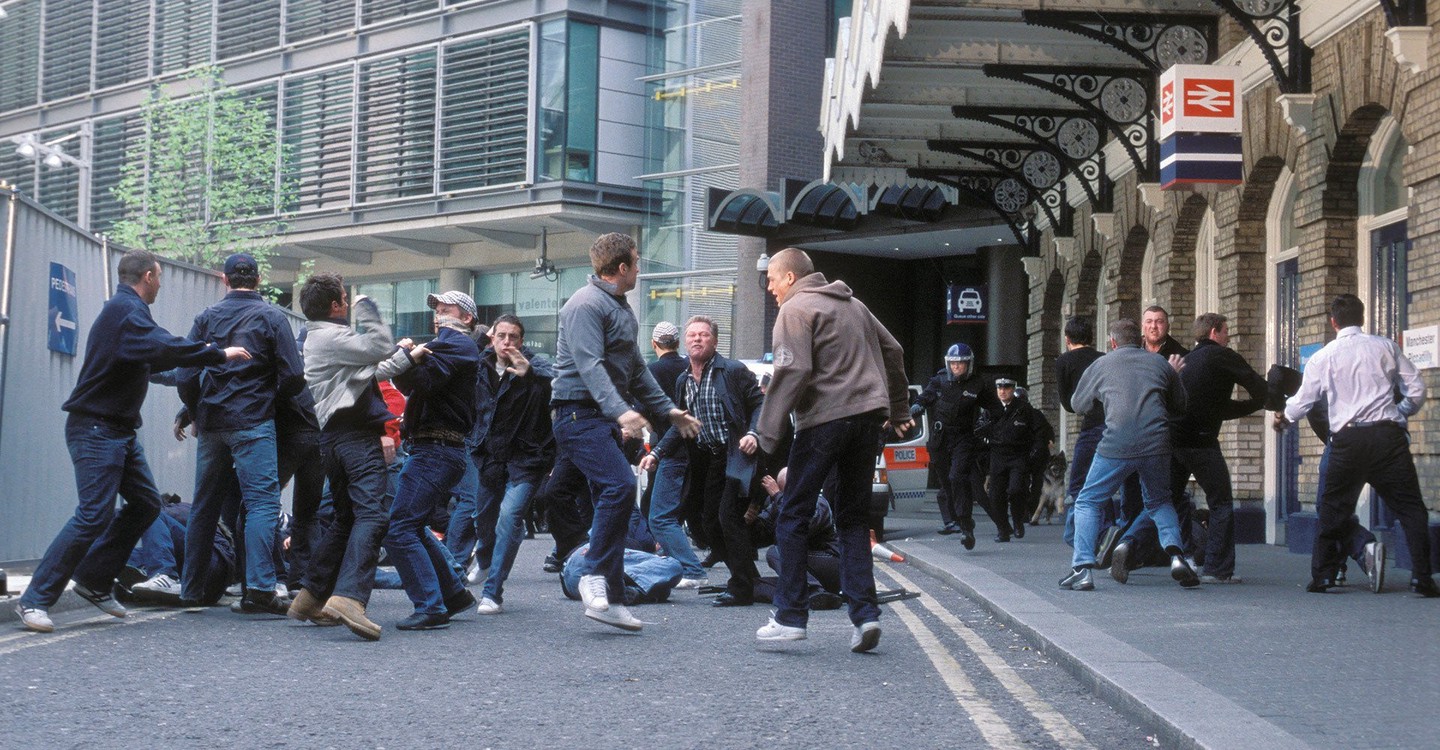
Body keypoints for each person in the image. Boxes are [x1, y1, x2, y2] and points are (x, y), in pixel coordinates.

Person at [15, 250, 248, 633]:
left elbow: (159, 363)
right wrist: (216, 354)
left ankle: (94, 580)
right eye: (159, 277)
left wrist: (200, 370)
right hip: (95, 430)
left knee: (144, 505)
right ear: (148, 275)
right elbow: (165, 346)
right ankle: (34, 600)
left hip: (119, 432)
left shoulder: (129, 316)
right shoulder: (126, 311)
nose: (160, 284)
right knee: (94, 513)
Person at [753, 247, 911, 653]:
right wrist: (898, 408)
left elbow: (794, 370)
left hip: (824, 420)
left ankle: (789, 616)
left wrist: (766, 433)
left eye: (772, 277)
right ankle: (865, 616)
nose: (769, 285)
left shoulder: (795, 309)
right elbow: (893, 350)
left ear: (790, 277)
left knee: (793, 514)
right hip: (867, 422)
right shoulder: (854, 305)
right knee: (854, 520)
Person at [550, 232, 701, 632]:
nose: (639, 268)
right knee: (619, 487)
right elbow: (589, 365)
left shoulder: (621, 309)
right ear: (621, 268)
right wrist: (621, 413)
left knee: (614, 499)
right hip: (576, 414)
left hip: (597, 416)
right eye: (636, 262)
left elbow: (636, 371)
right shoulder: (583, 306)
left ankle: (612, 598)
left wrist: (669, 412)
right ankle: (593, 578)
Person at [1276, 294, 1437, 597]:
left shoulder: (1324, 357)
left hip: (1347, 440)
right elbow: (1416, 389)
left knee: (1333, 508)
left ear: (1333, 322)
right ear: (1363, 319)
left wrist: (1284, 416)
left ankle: (1323, 577)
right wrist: (1398, 414)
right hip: (1387, 439)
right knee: (1411, 508)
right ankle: (1422, 577)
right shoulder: (1386, 347)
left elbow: (1303, 401)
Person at [285, 273, 418, 640]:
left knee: (346, 519)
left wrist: (408, 357)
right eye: (345, 298)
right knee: (373, 514)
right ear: (336, 305)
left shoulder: (323, 339)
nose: (348, 303)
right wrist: (368, 307)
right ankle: (349, 598)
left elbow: (371, 371)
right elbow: (379, 345)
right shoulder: (332, 335)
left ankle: (311, 597)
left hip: (336, 439)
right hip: (355, 438)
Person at [176, 253, 306, 615]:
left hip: (213, 424)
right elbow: (294, 375)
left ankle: (191, 591)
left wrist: (196, 409)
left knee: (204, 505)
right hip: (253, 421)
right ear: (259, 279)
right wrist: (268, 398)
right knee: (262, 504)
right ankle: (260, 589)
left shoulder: (206, 318)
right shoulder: (272, 317)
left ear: (224, 279)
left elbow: (186, 373)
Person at [1061, 318, 1198, 592]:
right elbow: (1180, 405)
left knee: (1088, 500)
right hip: (1156, 444)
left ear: (1112, 342)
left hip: (1116, 444)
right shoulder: (1160, 363)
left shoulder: (1101, 365)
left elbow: (1077, 404)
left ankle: (1082, 570)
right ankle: (1177, 558)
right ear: (1140, 340)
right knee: (1160, 501)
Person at [642, 315, 765, 604]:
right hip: (709, 459)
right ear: (684, 343)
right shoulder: (684, 379)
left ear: (715, 341)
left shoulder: (733, 371)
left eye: (704, 335)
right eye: (692, 335)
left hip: (737, 455)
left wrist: (753, 433)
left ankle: (742, 586)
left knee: (727, 517)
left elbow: (760, 402)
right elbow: (680, 424)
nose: (697, 339)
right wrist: (657, 453)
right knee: (707, 523)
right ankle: (748, 577)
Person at [382, 290, 483, 630]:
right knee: (413, 525)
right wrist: (410, 357)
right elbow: (413, 384)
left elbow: (417, 380)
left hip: (436, 447)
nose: (438, 315)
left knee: (400, 528)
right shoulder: (448, 346)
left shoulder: (456, 344)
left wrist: (407, 355)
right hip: (434, 447)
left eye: (446, 309)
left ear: (466, 317)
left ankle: (430, 604)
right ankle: (452, 594)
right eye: (436, 310)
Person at [1167, 313, 1267, 584]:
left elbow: (1218, 408)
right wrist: (1274, 398)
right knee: (1221, 502)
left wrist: (1254, 405)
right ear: (1214, 332)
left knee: (1168, 501)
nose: (1228, 336)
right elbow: (1258, 387)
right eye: (1225, 331)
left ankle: (1131, 547)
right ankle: (1217, 570)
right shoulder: (1223, 356)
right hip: (1201, 443)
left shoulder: (1188, 360)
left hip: (1173, 442)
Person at [470, 314, 555, 615]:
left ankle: (493, 591)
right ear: (492, 337)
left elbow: (554, 377)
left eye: (514, 337)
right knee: (484, 521)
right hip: (490, 456)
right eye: (502, 336)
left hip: (527, 458)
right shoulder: (480, 365)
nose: (507, 342)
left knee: (509, 517)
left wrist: (528, 371)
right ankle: (484, 560)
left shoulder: (534, 365)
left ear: (521, 340)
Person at [909, 343, 998, 548]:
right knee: (947, 484)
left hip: (964, 438)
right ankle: (955, 519)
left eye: (961, 363)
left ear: (969, 365)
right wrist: (916, 407)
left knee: (957, 477)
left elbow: (995, 409)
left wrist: (989, 425)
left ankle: (966, 526)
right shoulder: (939, 380)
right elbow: (925, 398)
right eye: (953, 363)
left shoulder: (978, 384)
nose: (957, 367)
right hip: (940, 439)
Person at [1054, 316, 1105, 546]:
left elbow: (1067, 404)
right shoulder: (1103, 359)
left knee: (1078, 483)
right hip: (1112, 424)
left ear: (1067, 339)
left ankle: (1075, 534)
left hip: (1091, 425)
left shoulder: (1063, 361)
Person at [979, 378, 1050, 541]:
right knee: (995, 495)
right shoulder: (991, 409)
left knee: (1016, 490)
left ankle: (1018, 520)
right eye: (999, 388)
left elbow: (1040, 432)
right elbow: (979, 431)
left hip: (1018, 455)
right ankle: (1003, 529)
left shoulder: (1025, 409)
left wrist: (1036, 451)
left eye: (1007, 388)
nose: (1002, 391)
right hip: (997, 455)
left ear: (1013, 389)